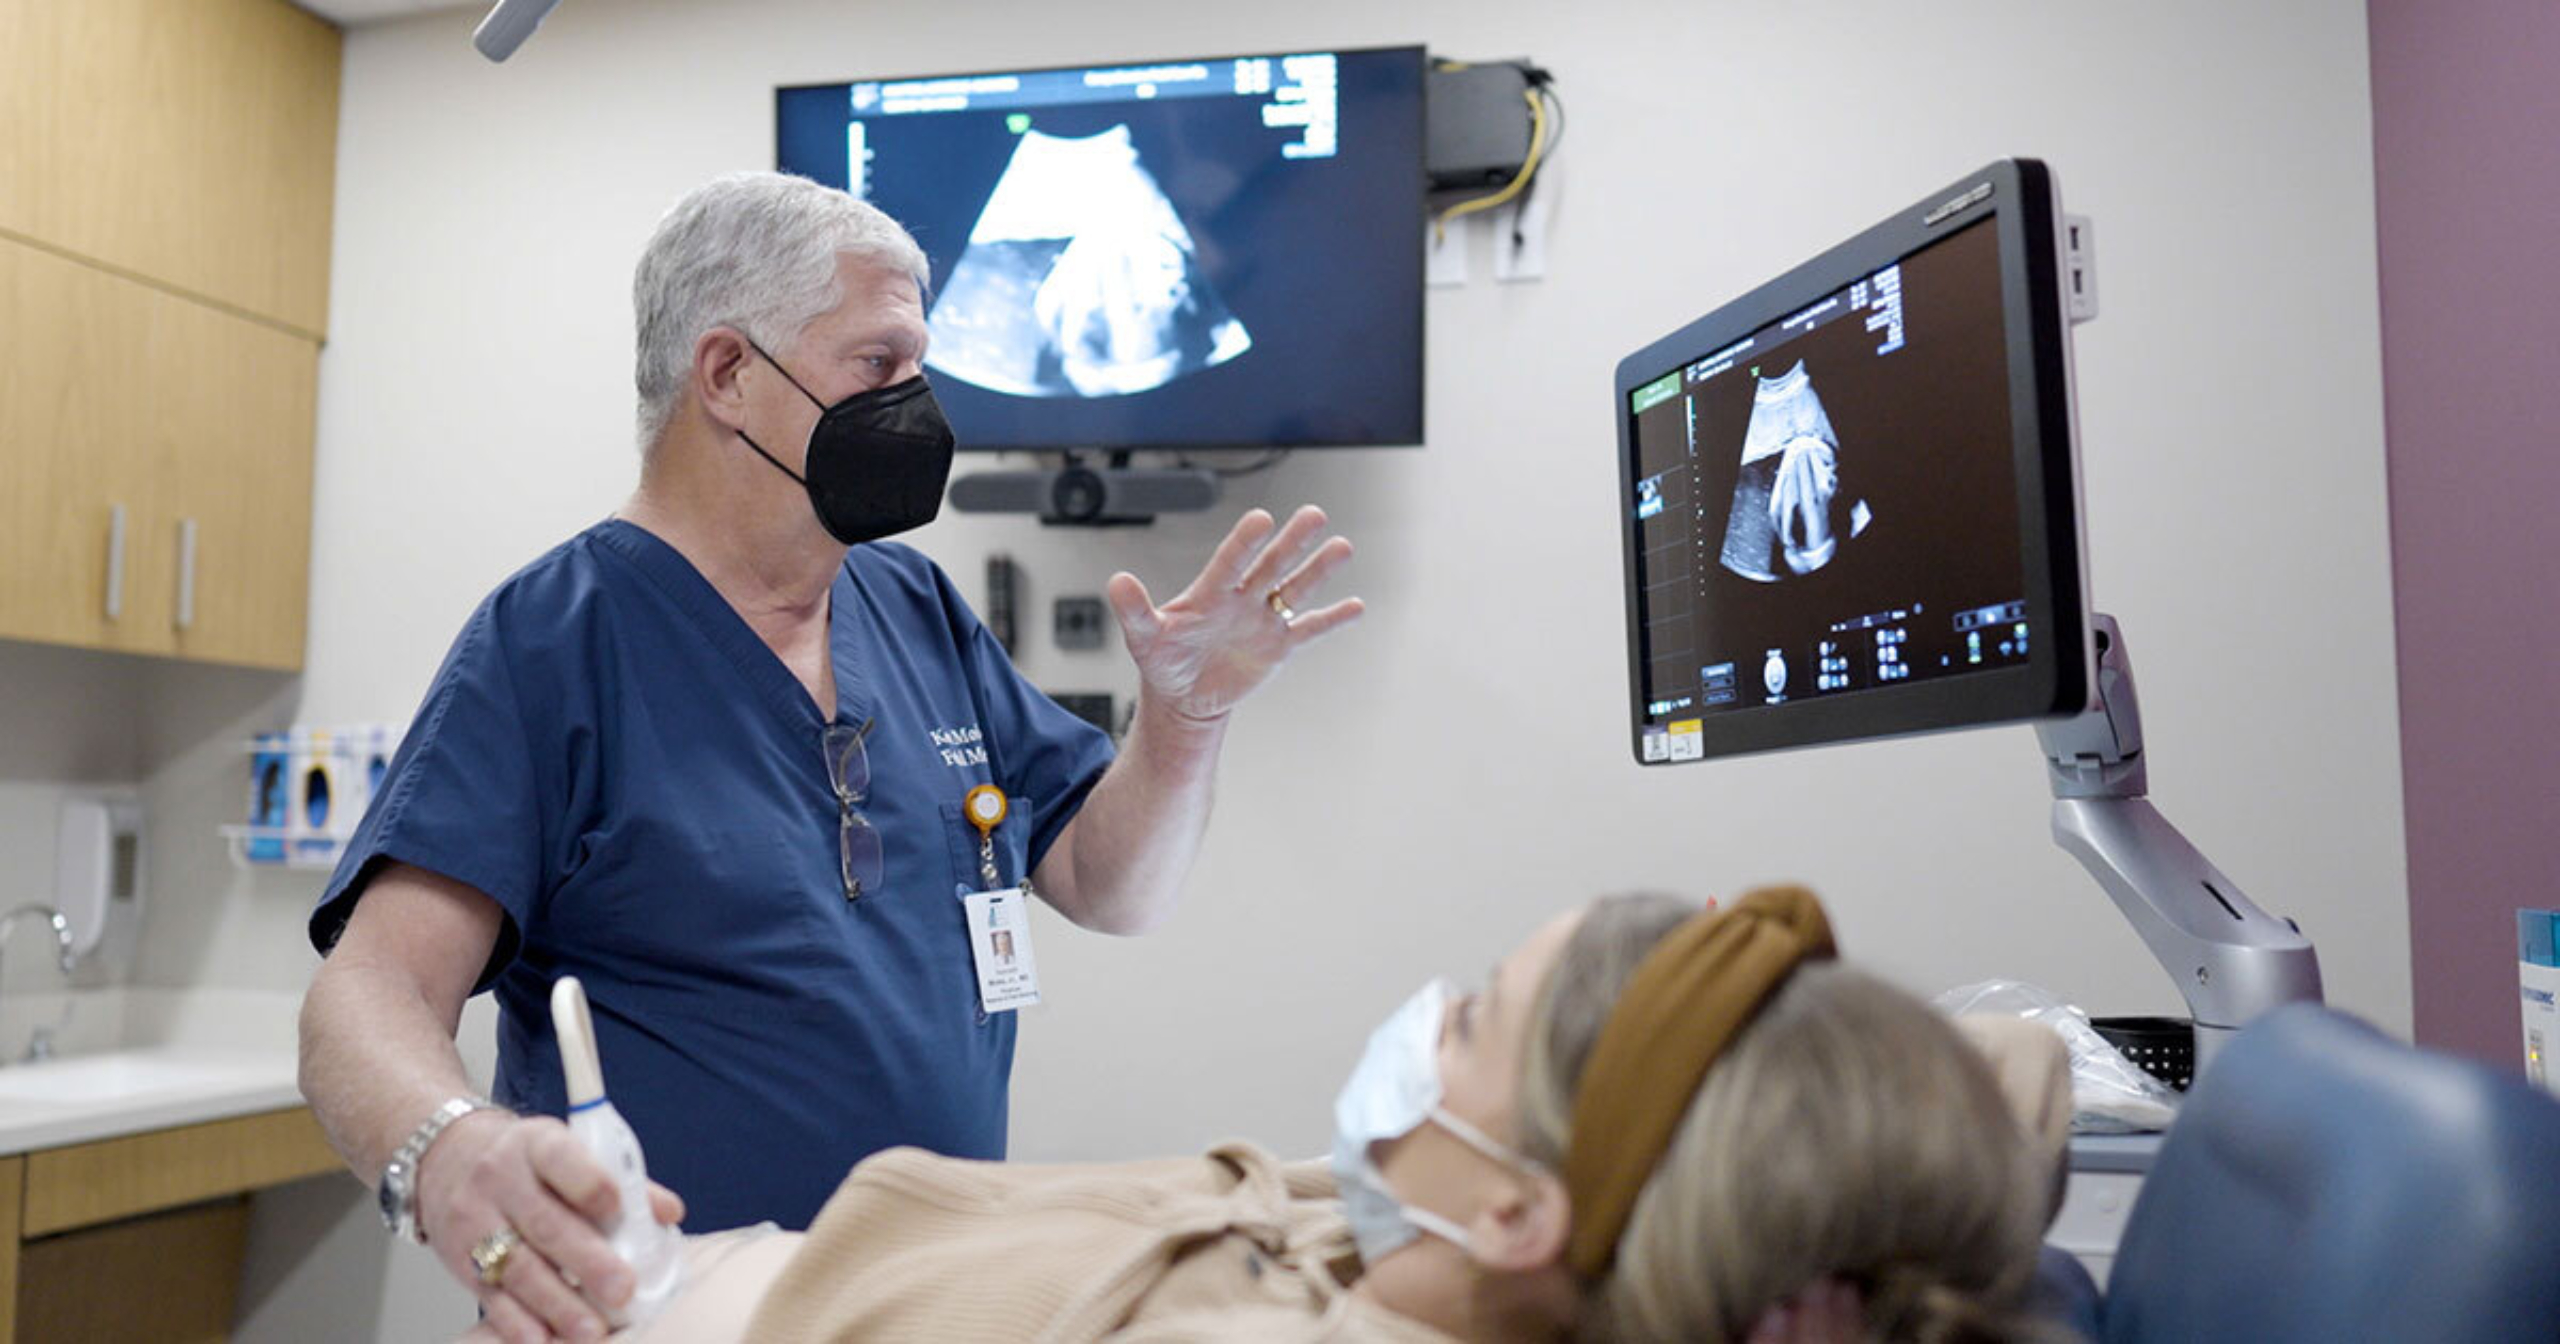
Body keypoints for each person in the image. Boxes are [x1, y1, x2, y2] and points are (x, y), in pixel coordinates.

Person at [298, 171, 1363, 1342]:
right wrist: (446, 1156)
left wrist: (1185, 721)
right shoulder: (558, 641)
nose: (920, 402)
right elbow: (370, 991)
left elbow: (1113, 888)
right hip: (672, 1311)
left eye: (921, 363)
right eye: (879, 364)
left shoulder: (908, 605)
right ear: (727, 375)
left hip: (925, 1306)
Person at [461, 886, 2076, 1344]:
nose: (1419, 1028)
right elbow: (2009, 1065)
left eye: (1467, 1023)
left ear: (1521, 1207)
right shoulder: (1431, 1245)